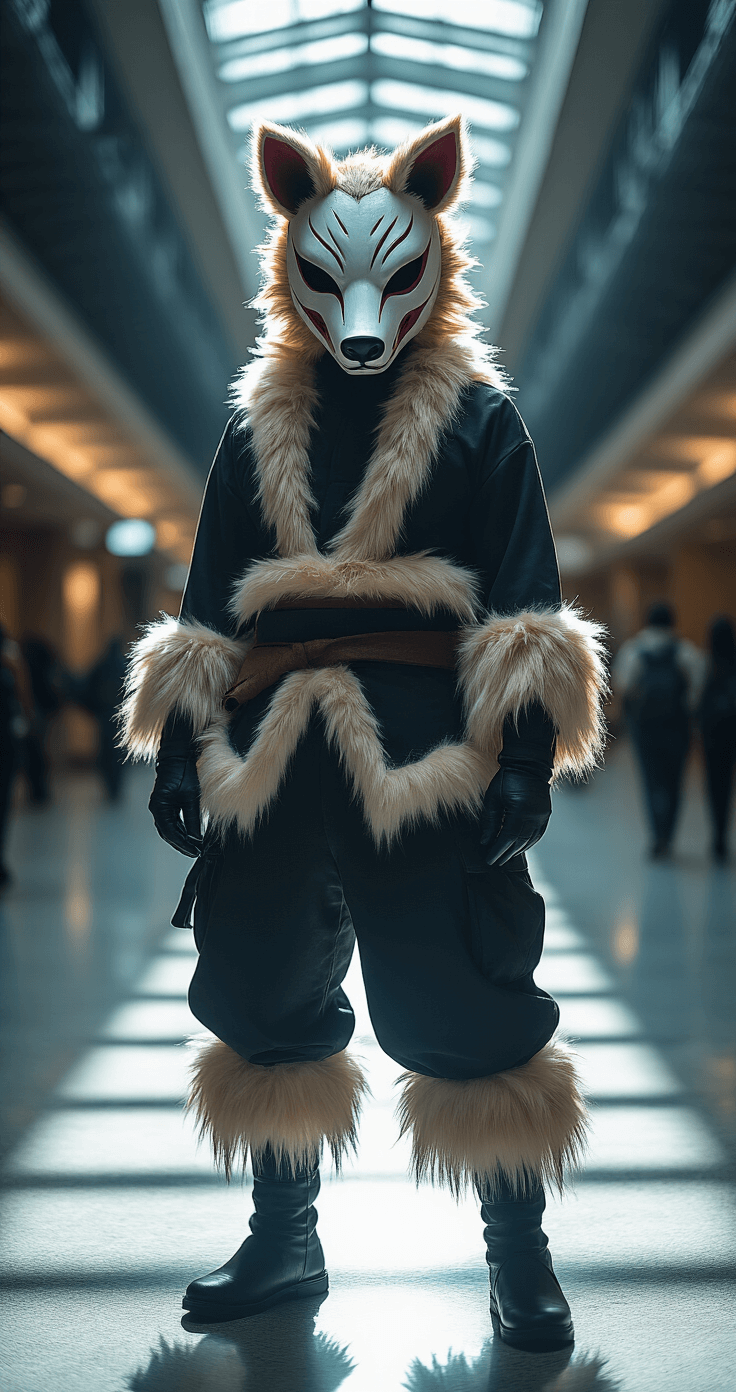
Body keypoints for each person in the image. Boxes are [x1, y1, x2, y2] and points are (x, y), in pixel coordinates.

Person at [122, 117, 607, 1350]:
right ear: (290, 255)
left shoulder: (482, 426)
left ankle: (517, 1252)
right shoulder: (253, 433)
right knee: (263, 993)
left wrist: (518, 762)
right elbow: (208, 600)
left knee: (467, 999)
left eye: (389, 278)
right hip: (273, 761)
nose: (359, 311)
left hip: (424, 753)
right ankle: (283, 1242)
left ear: (432, 256)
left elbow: (522, 601)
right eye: (331, 276)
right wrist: (183, 743)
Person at [615, 602, 704, 858]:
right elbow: (696, 690)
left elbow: (624, 684)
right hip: (677, 727)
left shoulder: (634, 650)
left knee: (651, 781)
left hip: (646, 729)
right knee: (675, 782)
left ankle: (657, 837)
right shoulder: (685, 651)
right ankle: (669, 835)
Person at [699, 616, 736, 862]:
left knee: (715, 788)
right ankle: (723, 835)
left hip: (712, 737)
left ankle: (718, 837)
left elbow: (696, 701)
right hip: (731, 733)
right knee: (728, 787)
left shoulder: (706, 664)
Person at [84, 637, 128, 800]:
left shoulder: (102, 665)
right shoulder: (123, 665)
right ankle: (114, 786)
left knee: (107, 752)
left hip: (106, 715)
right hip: (118, 716)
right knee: (117, 752)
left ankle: (112, 786)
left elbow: (88, 687)